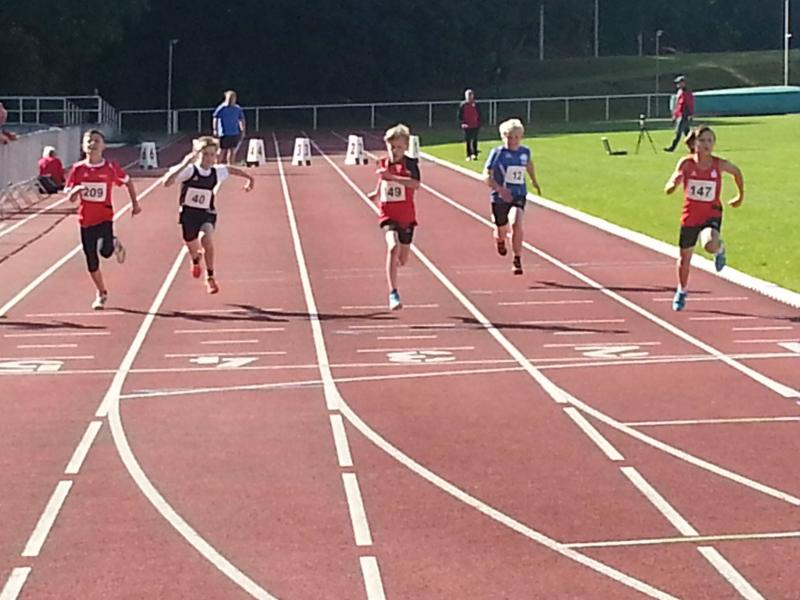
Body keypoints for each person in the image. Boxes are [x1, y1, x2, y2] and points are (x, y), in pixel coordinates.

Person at [664, 125, 744, 311]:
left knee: (709, 243)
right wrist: (672, 185)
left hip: (711, 213)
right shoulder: (686, 163)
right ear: (695, 144)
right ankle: (682, 290)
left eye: (710, 140)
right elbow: (674, 178)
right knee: (684, 258)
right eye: (703, 140)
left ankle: (719, 248)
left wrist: (740, 196)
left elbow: (736, 172)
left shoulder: (719, 164)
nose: (707, 144)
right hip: (690, 215)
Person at [163, 136, 255, 294]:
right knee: (191, 244)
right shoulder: (189, 171)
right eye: (205, 154)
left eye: (212, 154)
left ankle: (210, 276)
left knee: (206, 239)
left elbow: (230, 169)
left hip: (207, 213)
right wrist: (185, 163)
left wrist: (249, 178)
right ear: (197, 154)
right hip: (188, 215)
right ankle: (195, 259)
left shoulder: (216, 172)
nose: (209, 158)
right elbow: (166, 182)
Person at [64, 129, 141, 309]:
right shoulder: (78, 169)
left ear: (104, 146)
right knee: (91, 261)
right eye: (89, 141)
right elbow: (70, 196)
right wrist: (75, 191)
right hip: (85, 220)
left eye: (97, 141)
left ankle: (113, 242)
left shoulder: (110, 168)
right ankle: (101, 292)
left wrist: (135, 204)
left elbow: (128, 182)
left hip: (105, 217)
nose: (92, 144)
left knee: (105, 252)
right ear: (83, 146)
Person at [367, 124, 421, 311]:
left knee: (402, 259)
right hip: (388, 214)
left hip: (406, 216)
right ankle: (393, 293)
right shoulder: (382, 162)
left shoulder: (411, 164)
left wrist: (393, 178)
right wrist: (376, 193)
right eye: (391, 147)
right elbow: (382, 179)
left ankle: (396, 264)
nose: (394, 151)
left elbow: (416, 184)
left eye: (399, 147)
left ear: (405, 147)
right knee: (392, 247)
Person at [483, 118, 541, 276]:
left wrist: (534, 180)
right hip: (500, 197)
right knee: (501, 229)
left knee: (516, 222)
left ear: (521, 137)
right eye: (509, 137)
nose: (512, 141)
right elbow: (486, 176)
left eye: (516, 137)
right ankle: (500, 240)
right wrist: (500, 189)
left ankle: (517, 259)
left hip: (518, 194)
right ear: (503, 137)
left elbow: (529, 164)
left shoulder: (525, 152)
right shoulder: (497, 153)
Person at [212, 90, 246, 165]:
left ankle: (230, 165)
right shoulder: (222, 108)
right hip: (224, 133)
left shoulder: (237, 108)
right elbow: (215, 118)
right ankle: (217, 165)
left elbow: (241, 119)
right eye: (229, 98)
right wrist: (215, 129)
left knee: (232, 151)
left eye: (232, 98)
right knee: (222, 150)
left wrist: (242, 129)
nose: (231, 100)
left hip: (234, 133)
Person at [664, 75, 695, 152]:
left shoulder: (687, 92)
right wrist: (675, 115)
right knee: (687, 133)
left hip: (684, 115)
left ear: (684, 83)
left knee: (678, 132)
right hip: (680, 114)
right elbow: (677, 105)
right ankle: (693, 148)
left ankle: (672, 148)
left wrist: (691, 114)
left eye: (679, 83)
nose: (677, 84)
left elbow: (689, 104)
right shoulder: (680, 92)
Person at [458, 89, 482, 161]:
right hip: (466, 125)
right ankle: (468, 155)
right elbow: (460, 115)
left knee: (474, 139)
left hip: (475, 125)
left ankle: (474, 154)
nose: (469, 97)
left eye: (470, 95)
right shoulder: (463, 105)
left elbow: (479, 114)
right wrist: (462, 123)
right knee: (467, 140)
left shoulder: (476, 104)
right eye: (468, 95)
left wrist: (479, 123)